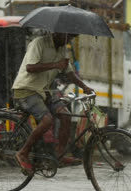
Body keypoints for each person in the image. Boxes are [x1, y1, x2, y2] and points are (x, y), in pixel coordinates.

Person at [12, 33, 94, 175]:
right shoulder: (39, 43)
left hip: (45, 91)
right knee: (47, 120)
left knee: (65, 115)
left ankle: (59, 155)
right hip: (25, 90)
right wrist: (56, 65)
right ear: (57, 32)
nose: (69, 40)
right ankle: (23, 153)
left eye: (71, 38)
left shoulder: (62, 49)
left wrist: (84, 87)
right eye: (67, 37)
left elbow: (68, 72)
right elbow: (30, 67)